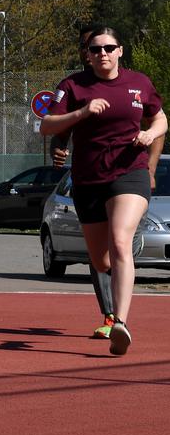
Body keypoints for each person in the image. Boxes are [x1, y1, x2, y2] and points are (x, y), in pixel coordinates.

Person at [41, 25, 166, 356]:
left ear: (120, 51)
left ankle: (120, 323)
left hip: (130, 173)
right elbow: (46, 125)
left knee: (121, 242)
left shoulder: (139, 83)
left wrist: (150, 137)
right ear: (88, 55)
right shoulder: (72, 86)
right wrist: (82, 112)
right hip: (88, 179)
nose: (103, 54)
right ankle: (114, 300)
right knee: (100, 257)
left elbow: (161, 120)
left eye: (109, 48)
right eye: (96, 50)